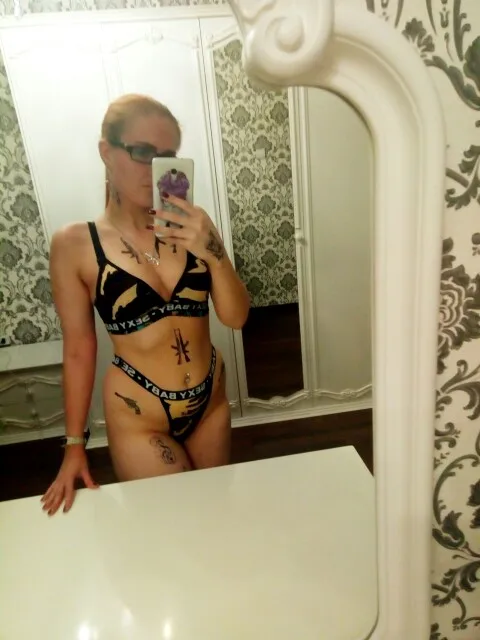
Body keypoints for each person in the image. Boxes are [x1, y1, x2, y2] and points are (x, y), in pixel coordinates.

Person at [41, 94, 250, 516]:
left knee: (215, 513)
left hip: (209, 402)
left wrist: (211, 249)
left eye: (168, 156)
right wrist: (74, 446)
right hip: (139, 414)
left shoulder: (195, 225)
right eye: (142, 152)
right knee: (172, 524)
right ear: (106, 152)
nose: (156, 169)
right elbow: (79, 348)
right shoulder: (75, 244)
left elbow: (236, 317)